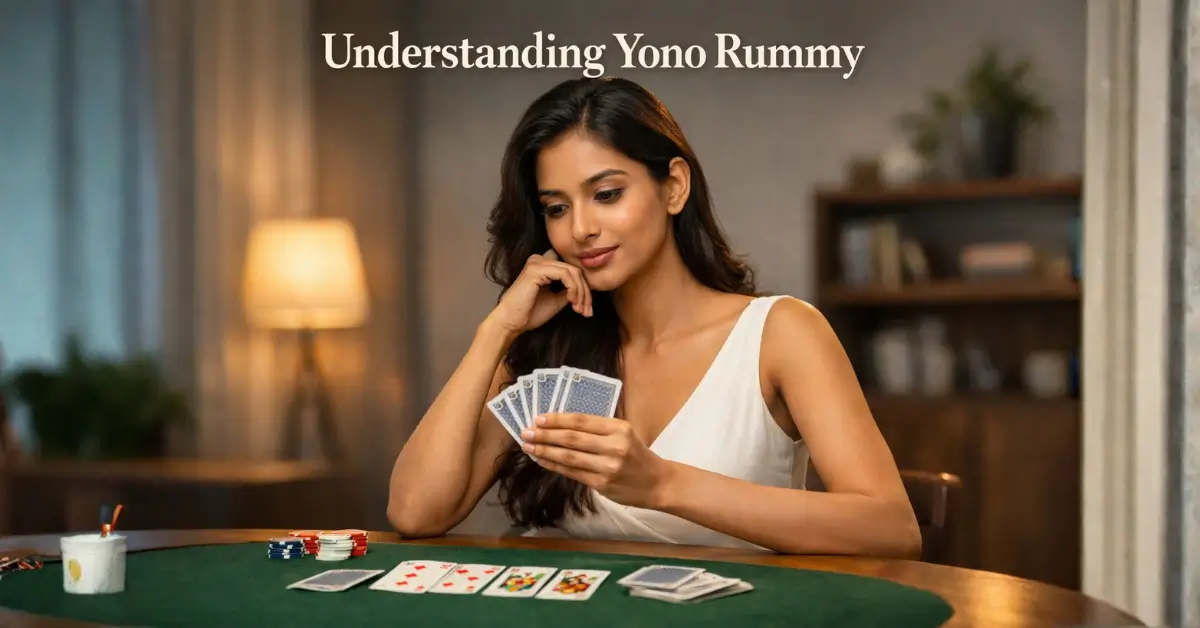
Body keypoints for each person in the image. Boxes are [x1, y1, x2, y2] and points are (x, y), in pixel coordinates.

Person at [388, 76, 921, 558]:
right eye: (556, 207)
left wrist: (663, 484)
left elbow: (892, 529)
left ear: (674, 187)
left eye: (606, 194)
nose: (580, 229)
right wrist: (496, 331)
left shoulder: (781, 333)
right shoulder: (544, 349)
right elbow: (414, 512)